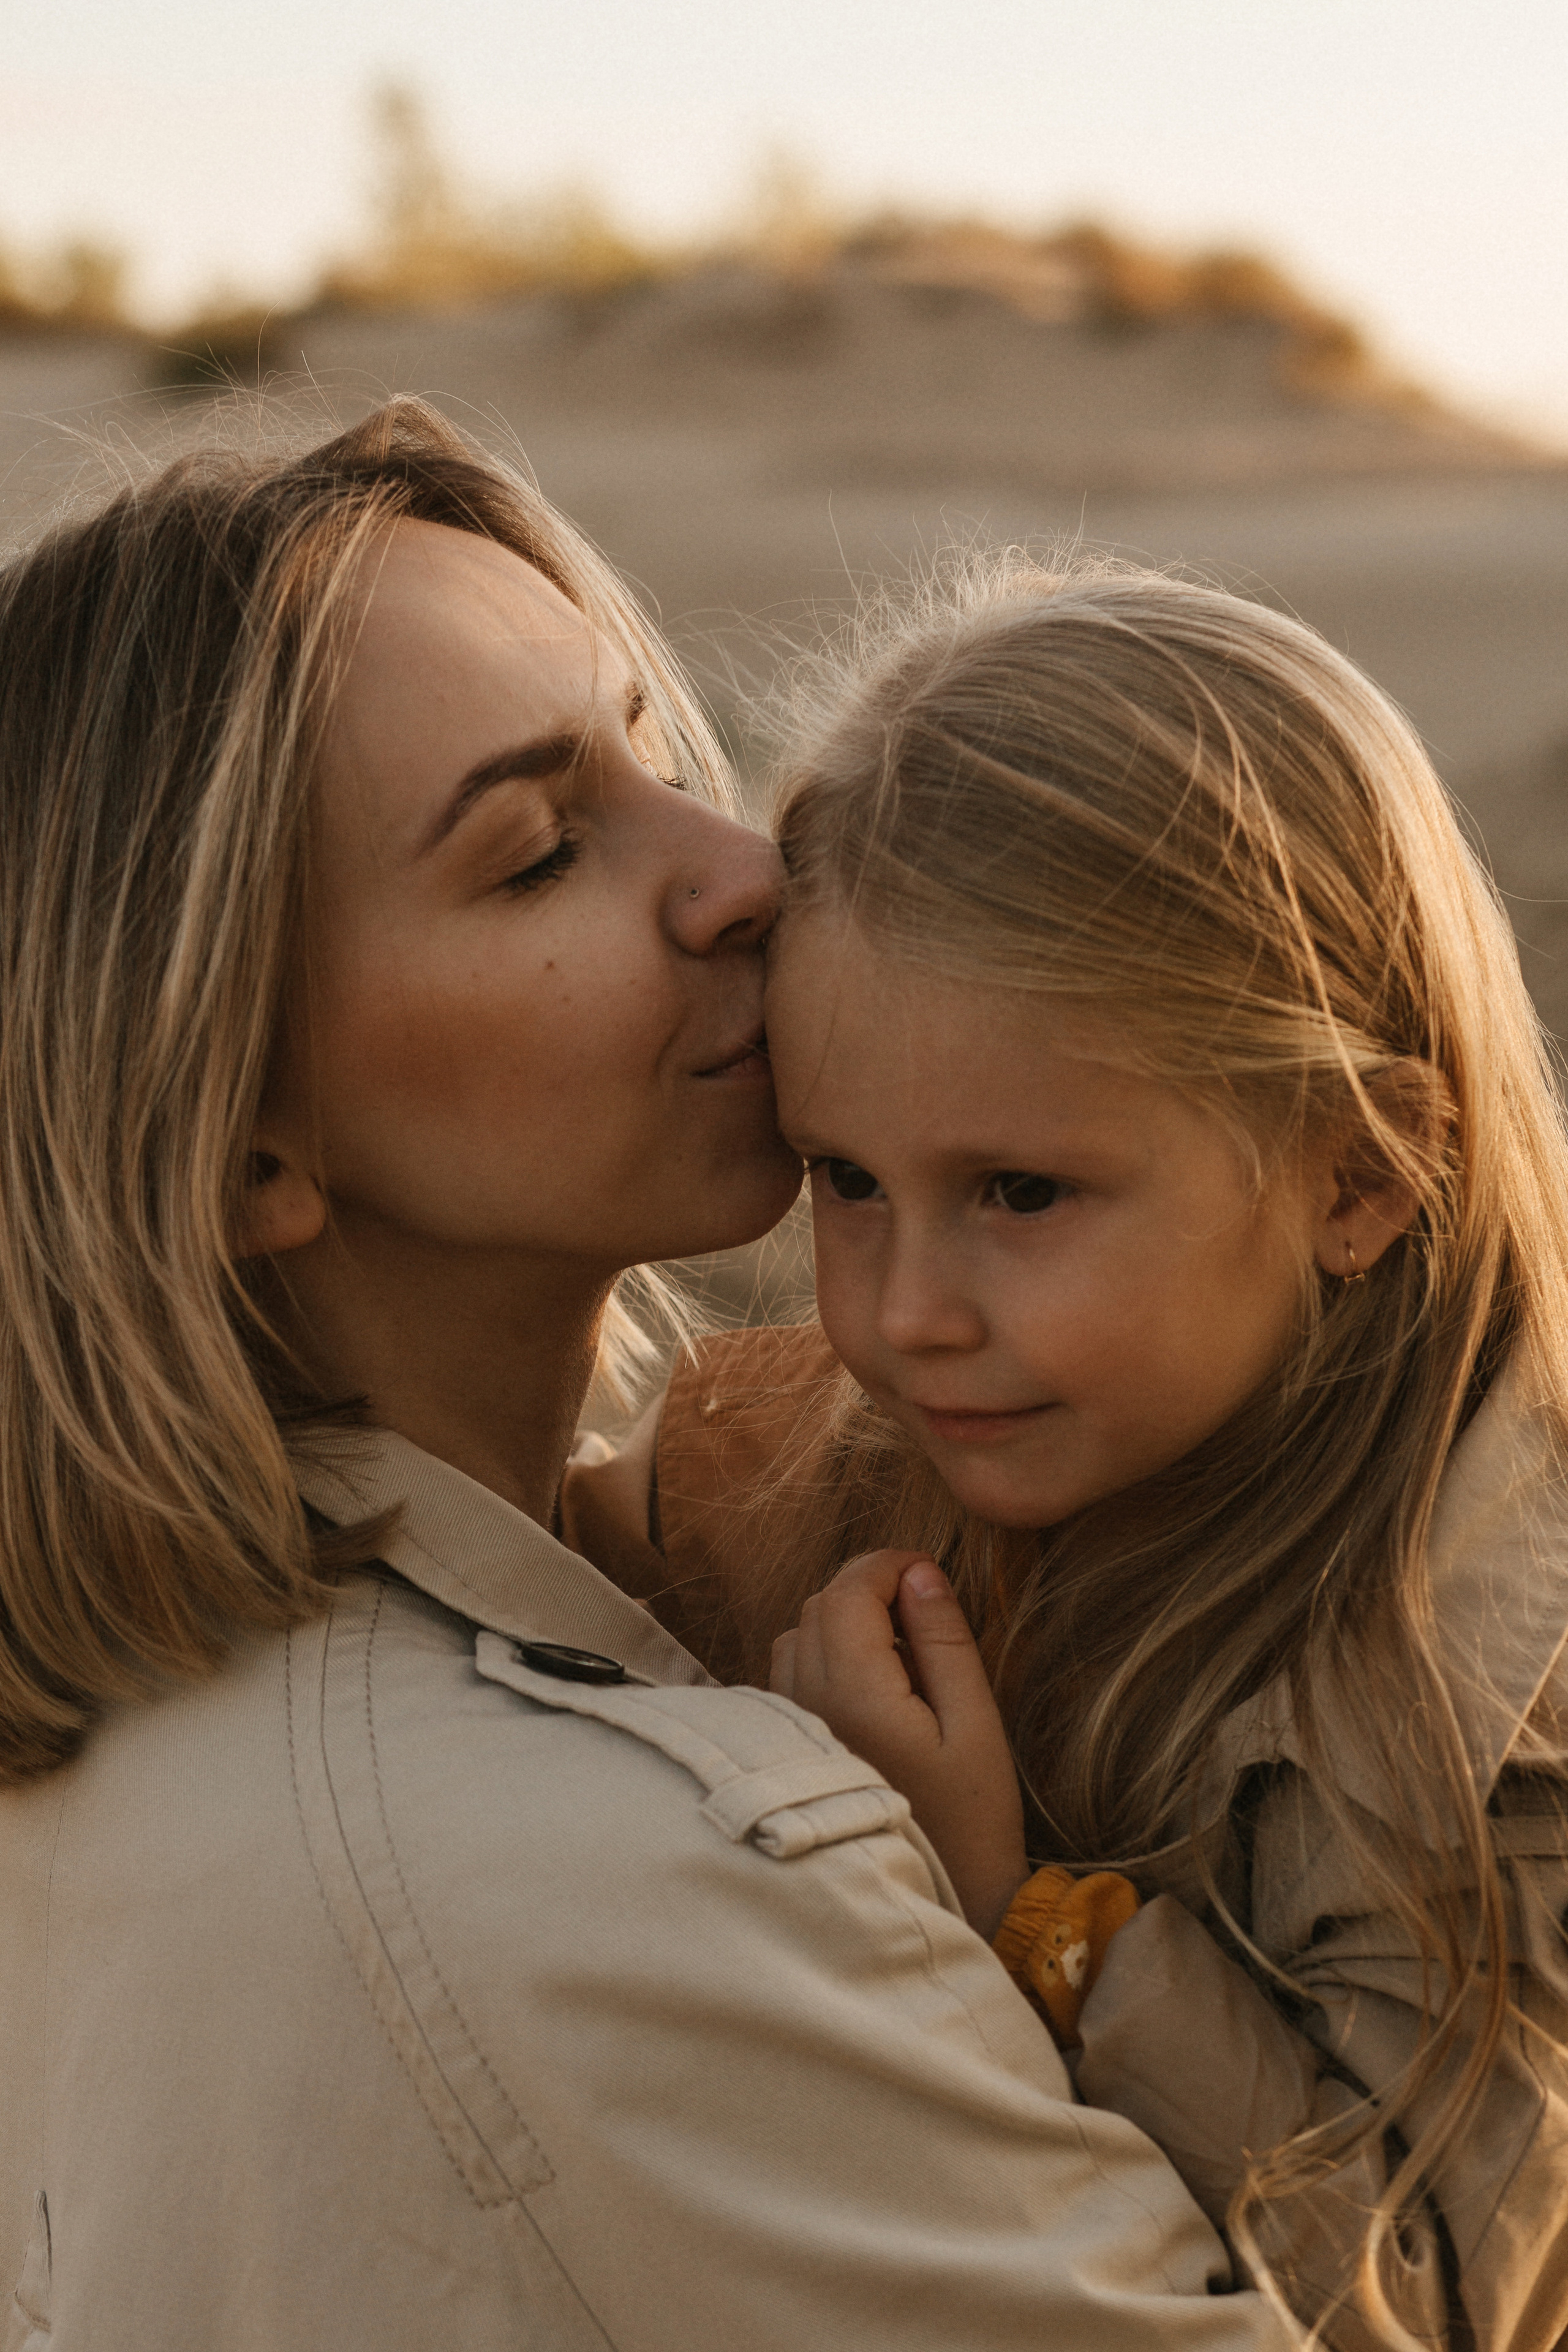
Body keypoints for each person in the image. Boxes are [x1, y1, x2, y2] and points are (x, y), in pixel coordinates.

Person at [0, 405, 1295, 2350]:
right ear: (239, 1139)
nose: (742, 870)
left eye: (652, 746)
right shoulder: (617, 1884)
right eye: (538, 855)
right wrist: (995, 1932)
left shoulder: (149, 1717)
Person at [566, 558, 1568, 2350]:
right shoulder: (839, 1443)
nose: (903, 1314)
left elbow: (1446, 2293)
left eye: (1021, 1193)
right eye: (846, 1182)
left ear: (1356, 1175)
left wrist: (1015, 1911)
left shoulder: (1492, 1694)